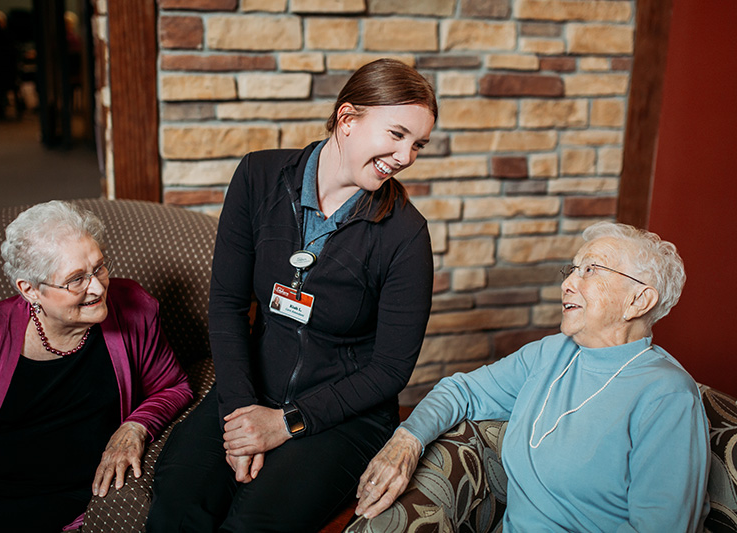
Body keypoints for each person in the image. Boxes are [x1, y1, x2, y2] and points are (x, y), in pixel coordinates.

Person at [147, 58, 437, 532]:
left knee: (254, 525)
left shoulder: (406, 235)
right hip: (251, 387)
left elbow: (390, 370)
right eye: (397, 134)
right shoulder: (258, 177)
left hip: (344, 415)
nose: (406, 156)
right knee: (177, 501)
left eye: (418, 143)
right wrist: (242, 415)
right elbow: (226, 304)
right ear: (347, 120)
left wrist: (285, 423)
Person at [355, 222, 710, 532]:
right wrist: (406, 441)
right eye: (571, 270)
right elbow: (460, 390)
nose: (568, 283)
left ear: (639, 300)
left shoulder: (667, 396)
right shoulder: (552, 353)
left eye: (591, 270)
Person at [0, 201, 193, 533]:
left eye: (99, 268)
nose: (99, 288)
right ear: (29, 290)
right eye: (76, 280)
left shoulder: (134, 309)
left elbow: (173, 386)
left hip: (60, 492)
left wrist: (135, 427)